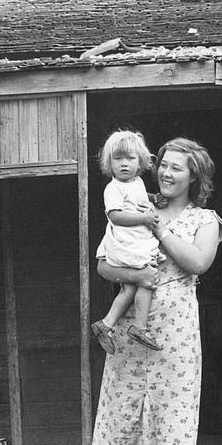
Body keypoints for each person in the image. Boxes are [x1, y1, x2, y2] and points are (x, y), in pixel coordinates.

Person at [88, 137, 222, 445]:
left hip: (177, 335)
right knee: (140, 421)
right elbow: (102, 263)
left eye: (176, 168)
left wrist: (158, 227)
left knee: (174, 421)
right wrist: (130, 273)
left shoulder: (205, 219)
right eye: (163, 164)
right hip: (134, 331)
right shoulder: (134, 208)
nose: (165, 173)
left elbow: (198, 262)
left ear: (194, 176)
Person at [90, 129, 163, 352]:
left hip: (134, 240)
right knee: (147, 279)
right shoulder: (112, 188)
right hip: (125, 243)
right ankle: (139, 326)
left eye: (130, 159)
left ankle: (106, 324)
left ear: (140, 161)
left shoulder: (137, 182)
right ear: (108, 163)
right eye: (118, 158)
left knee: (130, 288)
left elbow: (138, 198)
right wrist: (145, 217)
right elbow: (115, 216)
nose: (124, 164)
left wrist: (154, 198)